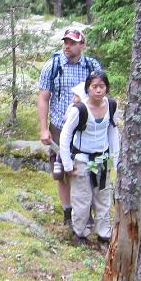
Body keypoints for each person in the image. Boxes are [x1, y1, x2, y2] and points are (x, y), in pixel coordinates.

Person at [37, 28, 102, 225]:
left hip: (85, 128)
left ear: (82, 45)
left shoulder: (92, 66)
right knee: (62, 172)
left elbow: (101, 94)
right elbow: (43, 98)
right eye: (66, 42)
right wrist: (44, 129)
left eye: (72, 42)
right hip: (59, 126)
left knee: (87, 169)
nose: (67, 46)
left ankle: (85, 212)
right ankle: (68, 213)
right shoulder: (53, 66)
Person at [59, 71, 120, 244]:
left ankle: (104, 234)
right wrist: (68, 164)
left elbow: (113, 132)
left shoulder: (111, 106)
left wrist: (116, 161)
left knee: (103, 198)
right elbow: (65, 135)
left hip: (103, 160)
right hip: (82, 160)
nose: (98, 90)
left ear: (106, 88)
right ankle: (80, 233)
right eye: (94, 87)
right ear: (88, 89)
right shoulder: (79, 110)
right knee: (82, 199)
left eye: (102, 86)